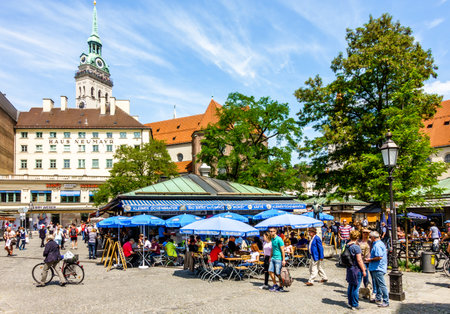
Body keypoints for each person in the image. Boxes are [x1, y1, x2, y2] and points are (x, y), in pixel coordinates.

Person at [345, 230, 367, 310]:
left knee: (350, 286)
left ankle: (350, 303)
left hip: (349, 268)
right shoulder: (356, 247)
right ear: (357, 237)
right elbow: (359, 260)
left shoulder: (347, 245)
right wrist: (364, 270)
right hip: (356, 268)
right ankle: (355, 304)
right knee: (355, 287)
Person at [367, 231, 389, 308]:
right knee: (377, 284)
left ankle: (386, 301)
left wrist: (370, 259)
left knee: (382, 285)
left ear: (373, 237)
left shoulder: (377, 245)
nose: (369, 238)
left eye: (370, 237)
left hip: (378, 267)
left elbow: (379, 256)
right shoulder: (380, 243)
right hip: (378, 267)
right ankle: (378, 298)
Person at [268, 227, 286, 292]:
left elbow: (282, 250)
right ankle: (275, 284)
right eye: (270, 231)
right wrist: (270, 257)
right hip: (273, 258)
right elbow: (272, 249)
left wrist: (283, 260)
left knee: (278, 273)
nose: (271, 232)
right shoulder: (272, 239)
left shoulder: (279, 239)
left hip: (278, 258)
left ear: (275, 232)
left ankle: (281, 286)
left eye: (272, 231)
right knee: (270, 271)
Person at [357, 229, 372, 298]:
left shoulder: (370, 241)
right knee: (364, 275)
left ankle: (367, 290)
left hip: (369, 260)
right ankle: (360, 291)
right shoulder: (358, 242)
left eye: (367, 233)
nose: (365, 234)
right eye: (364, 232)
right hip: (362, 261)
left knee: (367, 276)